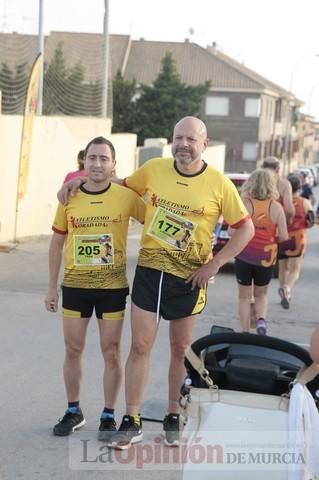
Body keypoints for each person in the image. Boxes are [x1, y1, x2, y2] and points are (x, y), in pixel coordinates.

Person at [59, 116, 254, 449]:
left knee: (180, 350)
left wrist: (215, 264)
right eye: (178, 137)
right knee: (139, 346)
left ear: (204, 144)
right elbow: (117, 183)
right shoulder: (154, 169)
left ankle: (172, 415)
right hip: (150, 273)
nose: (183, 144)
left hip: (189, 278)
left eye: (191, 139)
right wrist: (76, 182)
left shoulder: (220, 184)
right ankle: (131, 419)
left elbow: (245, 228)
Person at [45, 136, 145, 439]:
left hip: (112, 288)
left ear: (114, 165)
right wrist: (52, 288)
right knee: (73, 348)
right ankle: (73, 411)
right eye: (92, 158)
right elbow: (57, 241)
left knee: (111, 351)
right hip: (75, 286)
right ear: (83, 162)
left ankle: (108, 414)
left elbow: (153, 222)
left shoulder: (126, 196)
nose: (97, 164)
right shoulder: (69, 197)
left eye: (104, 158)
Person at [232, 169, 288, 334]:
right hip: (266, 257)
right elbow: (284, 236)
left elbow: (231, 232)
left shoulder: (245, 205)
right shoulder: (277, 208)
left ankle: (245, 331)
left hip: (244, 255)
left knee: (244, 296)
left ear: (251, 184)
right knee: (261, 294)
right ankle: (261, 320)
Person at [278, 174, 314, 309]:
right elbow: (310, 221)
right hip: (298, 239)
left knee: (282, 267)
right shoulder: (304, 202)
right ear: (299, 187)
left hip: (282, 237)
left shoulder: (280, 201)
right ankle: (287, 289)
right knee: (295, 269)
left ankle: (282, 291)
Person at [261, 156, 295, 224]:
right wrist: (287, 222)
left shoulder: (255, 183)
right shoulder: (284, 185)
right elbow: (289, 210)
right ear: (278, 169)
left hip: (256, 227)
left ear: (262, 168)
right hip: (275, 226)